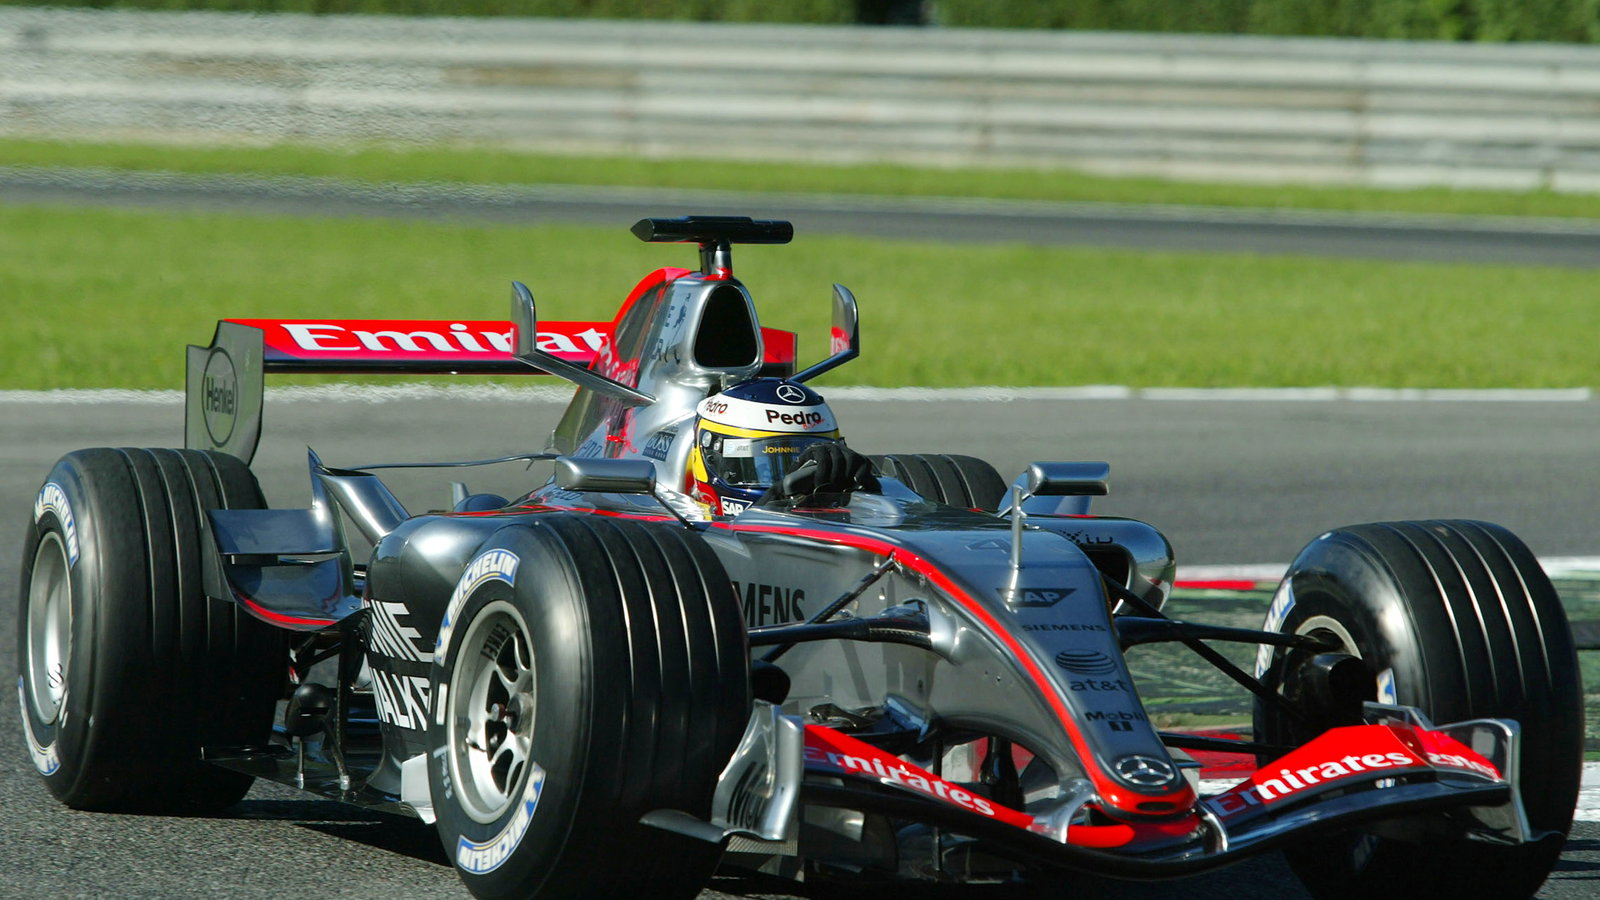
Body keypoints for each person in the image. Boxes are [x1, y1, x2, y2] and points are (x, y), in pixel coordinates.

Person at [684, 378, 878, 516]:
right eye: (765, 467)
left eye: (808, 465)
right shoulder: (676, 528)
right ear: (712, 458)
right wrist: (776, 498)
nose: (799, 480)